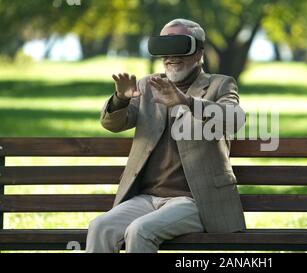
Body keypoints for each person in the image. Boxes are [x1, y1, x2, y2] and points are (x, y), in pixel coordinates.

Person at [86, 18, 246, 253]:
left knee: (140, 230)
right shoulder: (148, 85)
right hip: (147, 198)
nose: (171, 57)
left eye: (179, 48)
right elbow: (113, 124)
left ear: (199, 51)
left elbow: (235, 119)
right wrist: (121, 99)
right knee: (100, 227)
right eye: (164, 50)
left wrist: (187, 102)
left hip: (196, 201)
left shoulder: (220, 85)